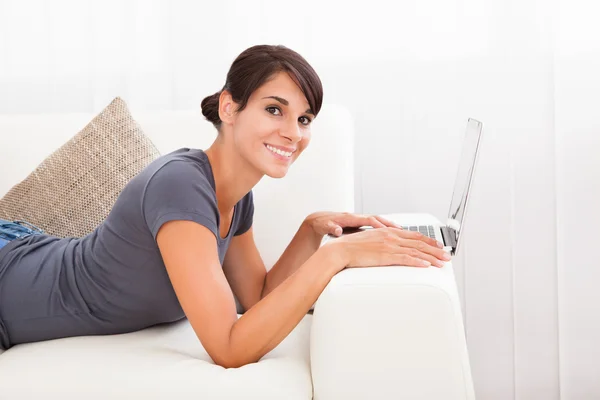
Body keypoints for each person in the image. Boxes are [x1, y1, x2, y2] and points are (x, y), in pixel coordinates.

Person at [0, 44, 450, 366]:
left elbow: (254, 301)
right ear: (230, 107)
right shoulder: (180, 185)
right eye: (275, 109)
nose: (293, 132)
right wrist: (339, 256)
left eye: (304, 118)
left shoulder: (235, 197)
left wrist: (311, 232)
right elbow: (230, 349)